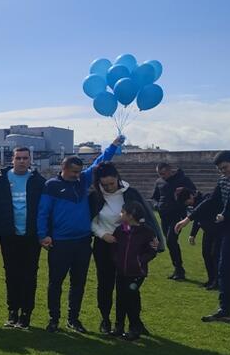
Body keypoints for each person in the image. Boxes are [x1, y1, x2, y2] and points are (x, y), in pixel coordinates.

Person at [37, 136, 123, 334]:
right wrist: (43, 235)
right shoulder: (51, 185)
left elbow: (99, 162)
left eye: (79, 171)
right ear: (63, 167)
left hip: (83, 242)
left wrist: (113, 146)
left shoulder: (82, 181)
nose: (77, 175)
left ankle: (73, 319)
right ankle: (54, 319)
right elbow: (43, 212)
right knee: (55, 282)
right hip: (59, 242)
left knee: (78, 283)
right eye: (74, 171)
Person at [89, 162, 162, 335]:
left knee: (129, 288)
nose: (108, 188)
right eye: (104, 185)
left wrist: (154, 240)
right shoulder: (95, 197)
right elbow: (91, 221)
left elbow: (146, 220)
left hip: (130, 248)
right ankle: (106, 320)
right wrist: (102, 235)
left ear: (118, 178)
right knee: (105, 285)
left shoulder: (131, 193)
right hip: (105, 246)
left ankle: (134, 322)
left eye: (111, 184)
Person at [176, 151, 230, 323]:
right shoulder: (223, 180)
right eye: (220, 169)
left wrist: (226, 214)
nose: (223, 172)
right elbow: (211, 201)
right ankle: (225, 311)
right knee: (225, 270)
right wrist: (188, 218)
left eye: (225, 167)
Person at [0, 147, 46, 329]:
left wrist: (44, 234)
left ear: (30, 160)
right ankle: (12, 311)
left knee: (29, 276)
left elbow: (45, 211)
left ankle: (26, 314)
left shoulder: (38, 181)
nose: (21, 161)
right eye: (18, 158)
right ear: (12, 160)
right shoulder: (0, 181)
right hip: (9, 235)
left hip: (31, 236)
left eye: (25, 158)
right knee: (11, 275)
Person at [111, 201, 158, 340]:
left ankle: (134, 328)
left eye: (122, 212)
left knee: (131, 299)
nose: (120, 214)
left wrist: (139, 261)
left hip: (136, 273)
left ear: (130, 215)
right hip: (121, 272)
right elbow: (114, 247)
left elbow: (152, 251)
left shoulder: (147, 232)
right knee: (120, 298)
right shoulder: (120, 230)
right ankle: (119, 326)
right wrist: (116, 260)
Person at [152, 162, 196, 280]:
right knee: (170, 242)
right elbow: (155, 197)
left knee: (171, 240)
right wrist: (157, 206)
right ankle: (177, 269)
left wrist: (184, 190)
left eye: (163, 173)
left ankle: (179, 270)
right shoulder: (159, 182)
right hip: (164, 216)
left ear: (170, 170)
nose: (162, 176)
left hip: (177, 215)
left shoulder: (183, 179)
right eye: (159, 174)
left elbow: (193, 191)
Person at [177, 188, 222, 290]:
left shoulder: (205, 200)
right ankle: (211, 279)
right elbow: (198, 218)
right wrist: (193, 234)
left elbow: (198, 215)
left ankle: (217, 281)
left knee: (214, 255)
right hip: (208, 232)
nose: (187, 204)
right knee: (206, 254)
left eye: (187, 201)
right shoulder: (196, 204)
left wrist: (189, 224)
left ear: (191, 196)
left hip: (218, 232)